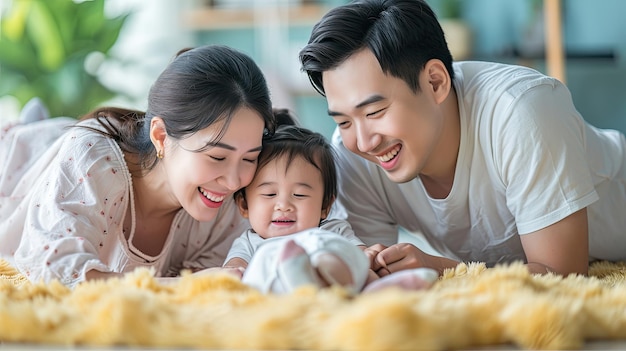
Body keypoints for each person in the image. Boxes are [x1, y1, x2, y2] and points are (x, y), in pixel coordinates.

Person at [298, 0, 626, 277]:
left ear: (436, 82)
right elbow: (369, 276)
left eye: (374, 112)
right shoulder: (351, 152)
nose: (364, 142)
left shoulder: (521, 111)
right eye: (343, 121)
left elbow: (564, 276)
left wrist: (443, 270)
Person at [0, 45, 276, 288]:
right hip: (17, 169)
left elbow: (209, 281)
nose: (232, 181)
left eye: (249, 158)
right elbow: (55, 270)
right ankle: (31, 128)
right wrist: (177, 287)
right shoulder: (95, 161)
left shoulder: (227, 207)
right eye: (217, 157)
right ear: (161, 136)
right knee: (38, 146)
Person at [224, 109, 438, 294]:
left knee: (362, 273)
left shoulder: (334, 230)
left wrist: (370, 256)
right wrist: (233, 272)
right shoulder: (249, 243)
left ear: (325, 206)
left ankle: (386, 291)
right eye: (270, 195)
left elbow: (360, 253)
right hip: (278, 303)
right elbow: (232, 271)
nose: (284, 206)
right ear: (244, 205)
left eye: (299, 195)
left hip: (335, 294)